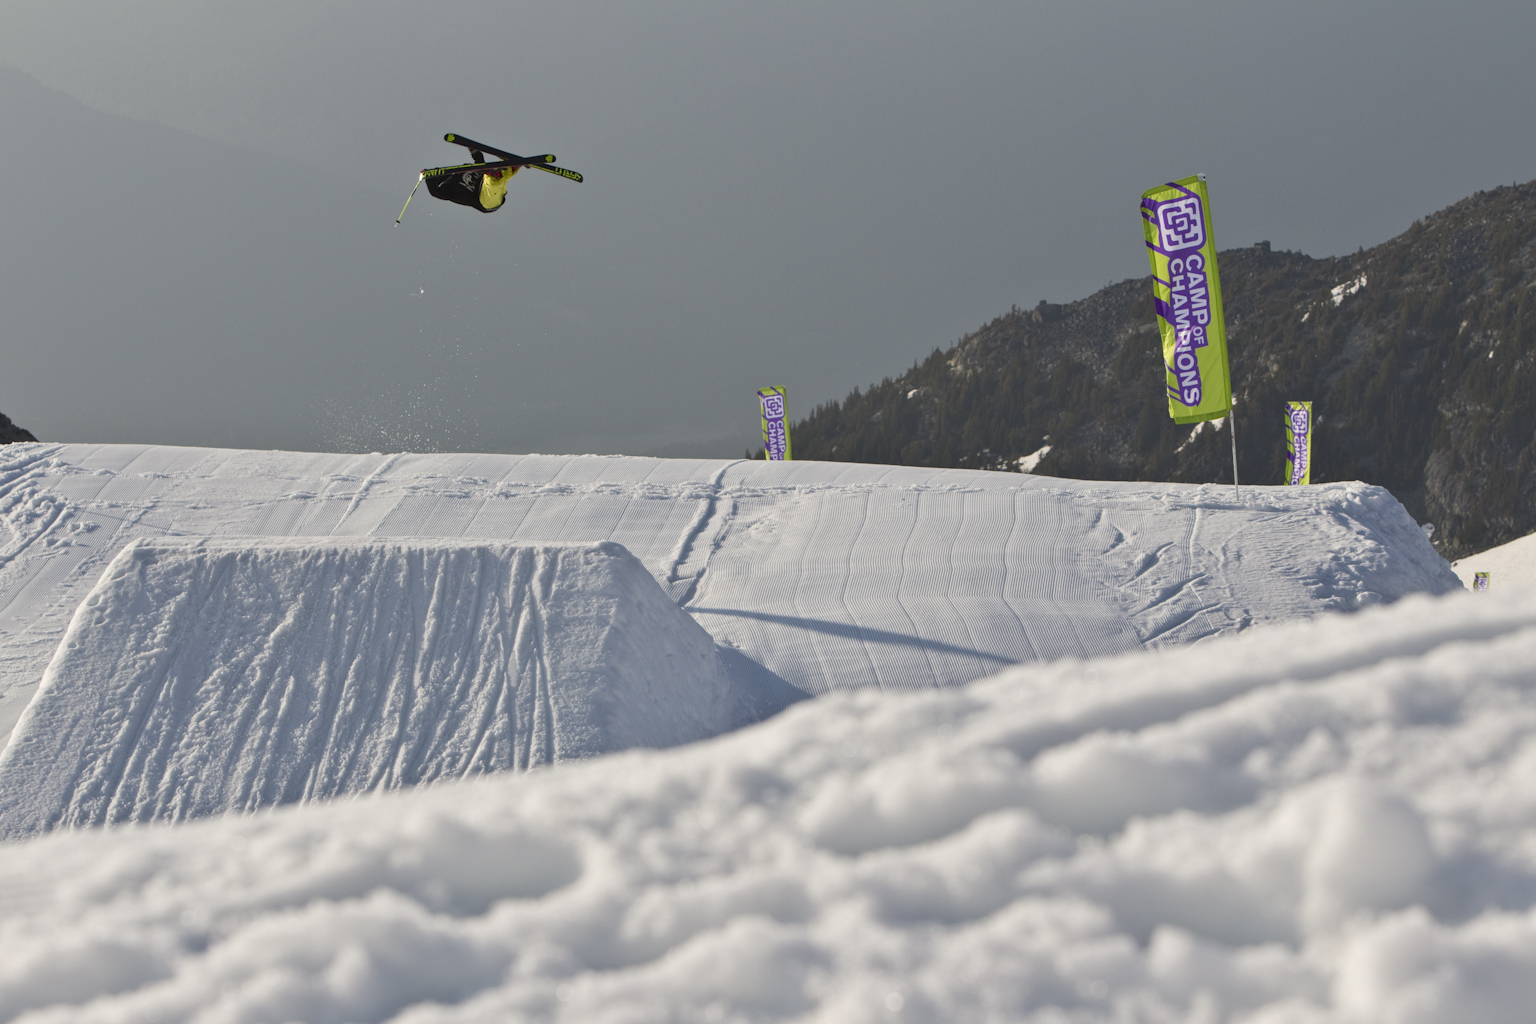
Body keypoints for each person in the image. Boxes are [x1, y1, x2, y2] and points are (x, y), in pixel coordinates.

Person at [424, 150, 521, 213]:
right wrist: (428, 177)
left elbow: (480, 164)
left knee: (500, 176)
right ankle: (497, 172)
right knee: (491, 180)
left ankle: (511, 165)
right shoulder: (449, 188)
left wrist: (475, 152)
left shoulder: (465, 168)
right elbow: (434, 192)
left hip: (497, 193)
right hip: (485, 202)